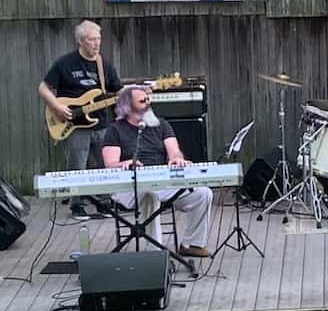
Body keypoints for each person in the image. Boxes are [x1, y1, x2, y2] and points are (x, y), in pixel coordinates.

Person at [102, 85, 213, 258]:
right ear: (127, 106)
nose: (148, 103)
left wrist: (176, 158)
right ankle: (154, 252)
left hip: (160, 182)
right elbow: (110, 164)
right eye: (142, 100)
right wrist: (124, 164)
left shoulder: (161, 124)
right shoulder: (115, 130)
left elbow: (174, 151)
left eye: (148, 99)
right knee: (149, 195)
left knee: (202, 193)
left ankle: (192, 244)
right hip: (128, 187)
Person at [38, 20, 123, 220]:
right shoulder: (64, 63)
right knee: (77, 164)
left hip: (101, 123)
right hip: (73, 125)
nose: (97, 43)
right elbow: (43, 88)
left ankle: (104, 203)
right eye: (92, 39)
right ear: (81, 41)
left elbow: (118, 90)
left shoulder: (104, 65)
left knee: (105, 164)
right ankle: (77, 205)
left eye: (99, 39)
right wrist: (57, 107)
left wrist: (133, 94)